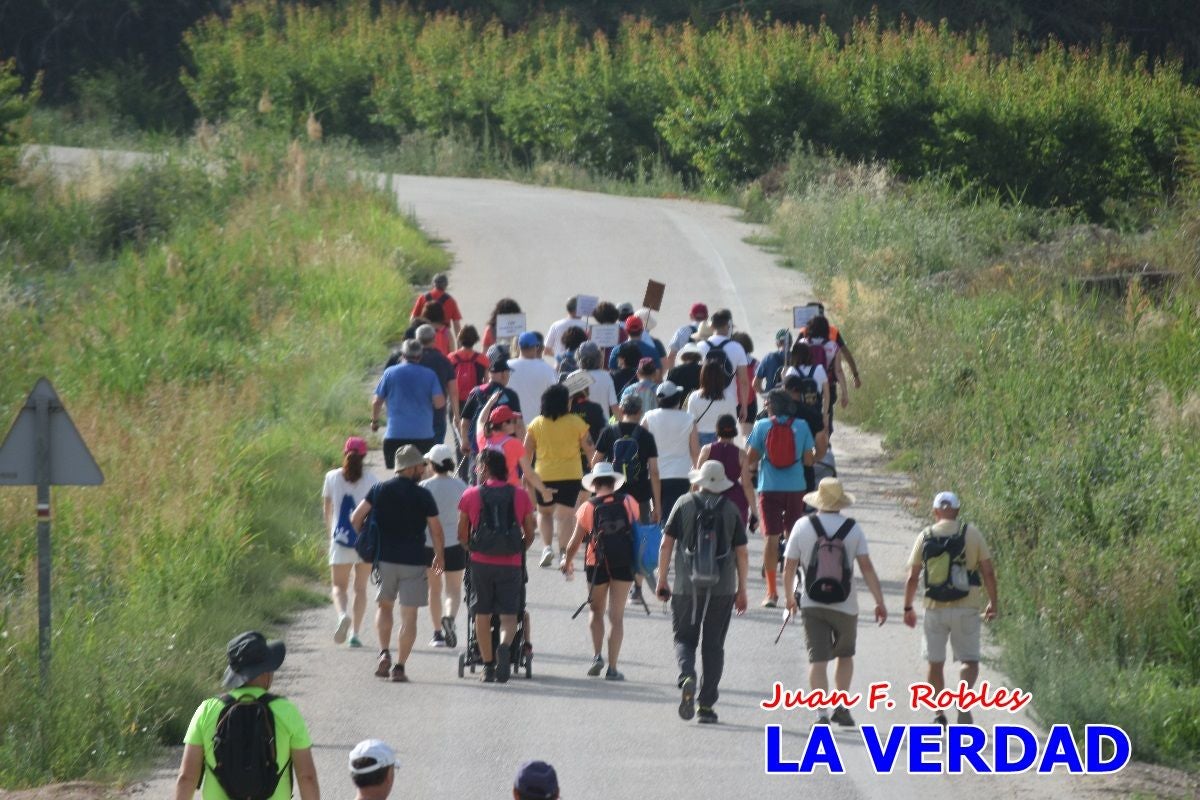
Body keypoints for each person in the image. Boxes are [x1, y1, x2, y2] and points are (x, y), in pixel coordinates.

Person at [782, 478, 888, 726]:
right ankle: (841, 707)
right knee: (845, 655)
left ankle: (821, 713)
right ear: (841, 502)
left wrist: (789, 598)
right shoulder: (853, 529)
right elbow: (867, 567)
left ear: (817, 500)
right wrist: (879, 601)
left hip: (811, 602)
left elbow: (789, 567)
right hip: (846, 603)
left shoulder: (802, 526)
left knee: (817, 660)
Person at [655, 461, 749, 725]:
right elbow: (741, 551)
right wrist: (742, 589)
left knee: (684, 637)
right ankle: (706, 706)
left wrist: (662, 579)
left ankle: (687, 675)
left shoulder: (684, 503)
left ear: (699, 480)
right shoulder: (731, 510)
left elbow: (666, 544)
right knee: (713, 645)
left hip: (687, 586)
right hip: (722, 588)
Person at [173, 631, 319, 800]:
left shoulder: (207, 710)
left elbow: (186, 778)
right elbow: (306, 776)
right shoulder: (286, 711)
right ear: (265, 672)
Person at [902, 491, 999, 726]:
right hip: (966, 607)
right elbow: (987, 571)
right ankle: (963, 702)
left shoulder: (925, 535)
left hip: (934, 608)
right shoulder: (972, 533)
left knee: (935, 663)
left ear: (935, 511)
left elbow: (913, 577)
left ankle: (938, 714)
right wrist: (993, 602)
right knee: (970, 661)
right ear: (957, 510)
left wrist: (907, 607)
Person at [351, 445, 446, 682]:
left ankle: (384, 652)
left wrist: (366, 536)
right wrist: (439, 556)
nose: (423, 470)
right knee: (409, 616)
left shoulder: (379, 489)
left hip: (384, 559)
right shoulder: (423, 495)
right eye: (421, 466)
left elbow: (356, 518)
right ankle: (400, 667)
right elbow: (436, 529)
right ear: (411, 467)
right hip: (413, 561)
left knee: (384, 607)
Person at [457, 449, 537, 683]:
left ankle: (488, 666)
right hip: (511, 563)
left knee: (481, 613)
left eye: (478, 466)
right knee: (509, 615)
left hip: (480, 562)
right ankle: (504, 646)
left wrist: (471, 548)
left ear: (484, 468)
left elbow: (462, 533)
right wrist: (519, 548)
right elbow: (530, 532)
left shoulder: (471, 494)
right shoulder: (520, 495)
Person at [561, 462, 639, 680]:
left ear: (594, 484)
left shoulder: (588, 507)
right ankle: (613, 668)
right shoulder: (629, 502)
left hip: (596, 563)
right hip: (623, 562)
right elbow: (637, 532)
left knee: (596, 610)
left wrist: (566, 562)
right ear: (614, 483)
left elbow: (574, 543)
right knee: (617, 617)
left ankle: (597, 656)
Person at [744, 390, 815, 607]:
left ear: (771, 407)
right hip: (795, 487)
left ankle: (771, 593)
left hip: (770, 487)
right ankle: (793, 590)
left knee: (771, 538)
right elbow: (809, 461)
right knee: (793, 536)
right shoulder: (802, 425)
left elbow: (750, 458)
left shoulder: (762, 426)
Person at [593, 394, 662, 603]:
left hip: (613, 495)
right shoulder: (645, 436)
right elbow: (654, 471)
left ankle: (609, 581)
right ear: (640, 412)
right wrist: (656, 505)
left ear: (621, 411)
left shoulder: (608, 432)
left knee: (610, 536)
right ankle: (636, 590)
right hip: (639, 495)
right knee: (639, 540)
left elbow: (595, 463)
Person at [524, 383, 595, 568]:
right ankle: (564, 554)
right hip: (570, 476)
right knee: (565, 516)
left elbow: (525, 455)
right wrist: (594, 468)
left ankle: (547, 548)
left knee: (544, 512)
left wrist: (528, 476)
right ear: (565, 403)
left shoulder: (535, 424)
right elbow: (590, 449)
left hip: (543, 476)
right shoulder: (576, 423)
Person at [323, 436, 379, 648]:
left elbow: (327, 510)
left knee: (338, 586)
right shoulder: (373, 480)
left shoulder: (332, 477)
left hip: (341, 538)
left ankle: (342, 615)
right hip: (365, 541)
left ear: (344, 453)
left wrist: (330, 534)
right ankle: (355, 633)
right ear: (364, 456)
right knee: (361, 588)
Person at [420, 444, 468, 649]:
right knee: (454, 589)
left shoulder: (424, 487)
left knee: (434, 589)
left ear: (432, 464)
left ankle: (437, 633)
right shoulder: (461, 486)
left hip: (430, 544)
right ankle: (449, 616)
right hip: (456, 543)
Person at [372, 339, 445, 469]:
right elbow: (440, 403)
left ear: (402, 355)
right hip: (423, 435)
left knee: (399, 474)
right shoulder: (430, 375)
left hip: (395, 434)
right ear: (420, 356)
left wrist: (375, 422)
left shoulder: (390, 373)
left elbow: (377, 401)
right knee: (422, 473)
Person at [640, 381, 699, 523]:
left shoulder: (649, 417)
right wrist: (698, 477)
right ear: (677, 399)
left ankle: (664, 542)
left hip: (655, 475)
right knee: (679, 514)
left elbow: (640, 446)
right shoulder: (689, 419)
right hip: (682, 474)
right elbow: (695, 451)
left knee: (660, 514)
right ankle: (676, 542)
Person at [459, 346, 524, 476]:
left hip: (479, 448)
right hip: (505, 450)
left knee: (478, 484)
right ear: (504, 374)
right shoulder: (510, 395)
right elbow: (519, 425)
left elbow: (465, 421)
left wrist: (465, 441)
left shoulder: (476, 392)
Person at [697, 414, 755, 526]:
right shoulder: (741, 454)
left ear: (717, 430)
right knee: (737, 540)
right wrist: (754, 511)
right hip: (735, 501)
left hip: (710, 499)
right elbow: (746, 484)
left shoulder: (707, 450)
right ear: (734, 430)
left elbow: (699, 479)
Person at [695, 309, 750, 423]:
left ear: (711, 326)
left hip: (703, 399)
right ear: (728, 326)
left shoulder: (699, 347)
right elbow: (744, 381)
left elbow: (696, 375)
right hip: (729, 400)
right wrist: (744, 406)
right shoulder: (737, 347)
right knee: (726, 437)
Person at [798, 314, 849, 435]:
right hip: (827, 385)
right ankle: (824, 439)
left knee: (804, 414)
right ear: (826, 329)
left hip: (805, 386)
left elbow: (795, 366)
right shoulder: (833, 346)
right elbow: (838, 371)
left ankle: (807, 441)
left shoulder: (801, 344)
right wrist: (844, 393)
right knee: (826, 413)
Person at [416, 324, 457, 446]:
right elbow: (453, 391)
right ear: (434, 340)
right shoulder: (444, 360)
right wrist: (456, 414)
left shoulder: (413, 360)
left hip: (416, 412)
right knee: (435, 452)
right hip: (437, 412)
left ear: (417, 340)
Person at [508, 331, 557, 424]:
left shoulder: (507, 366)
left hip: (512, 424)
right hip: (539, 425)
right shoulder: (547, 369)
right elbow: (555, 396)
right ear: (536, 347)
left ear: (518, 346)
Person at [686, 359, 739, 447]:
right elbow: (732, 421)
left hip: (700, 437)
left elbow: (691, 423)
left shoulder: (694, 397)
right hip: (723, 438)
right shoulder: (729, 397)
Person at [785, 339, 831, 432]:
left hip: (797, 416)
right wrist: (825, 414)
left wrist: (783, 377)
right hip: (815, 413)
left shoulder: (791, 371)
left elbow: (786, 394)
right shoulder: (819, 369)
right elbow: (826, 395)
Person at [448, 325, 490, 426]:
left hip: (456, 403)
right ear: (475, 339)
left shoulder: (450, 358)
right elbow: (487, 384)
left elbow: (448, 386)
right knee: (474, 437)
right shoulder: (483, 359)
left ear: (460, 339)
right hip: (475, 402)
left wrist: (456, 414)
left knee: (458, 439)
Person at [410, 272, 463, 338]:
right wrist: (459, 345)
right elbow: (456, 325)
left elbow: (413, 319)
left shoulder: (422, 297)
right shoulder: (451, 301)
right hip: (443, 334)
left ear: (433, 284)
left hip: (424, 334)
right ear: (446, 285)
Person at [564, 370, 607, 445]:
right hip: (591, 452)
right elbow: (603, 431)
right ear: (586, 388)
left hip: (570, 453)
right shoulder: (595, 408)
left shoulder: (563, 410)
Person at [578, 341, 619, 417]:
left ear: (579, 358)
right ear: (599, 357)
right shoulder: (606, 376)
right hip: (602, 425)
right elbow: (614, 407)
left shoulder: (573, 376)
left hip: (579, 426)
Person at [664, 302, 708, 372]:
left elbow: (672, 356)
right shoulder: (712, 333)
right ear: (706, 317)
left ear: (691, 316)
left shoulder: (682, 331)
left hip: (682, 373)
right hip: (702, 375)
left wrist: (671, 376)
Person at [730, 331, 758, 435]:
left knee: (727, 434)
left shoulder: (730, 362)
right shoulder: (755, 363)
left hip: (732, 401)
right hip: (750, 401)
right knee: (747, 435)